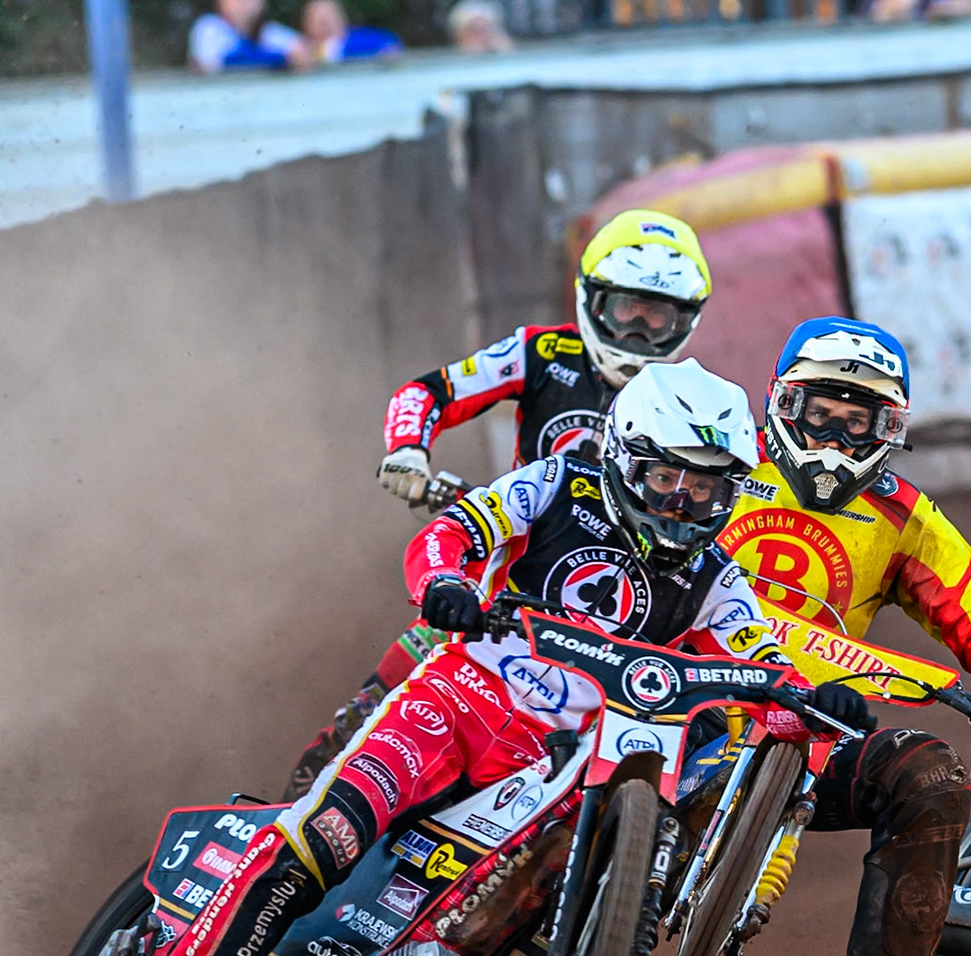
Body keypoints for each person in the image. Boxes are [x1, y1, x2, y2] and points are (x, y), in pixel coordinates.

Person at [121, 360, 876, 956]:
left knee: (539, 888)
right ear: (620, 455)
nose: (683, 503)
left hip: (552, 764)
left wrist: (814, 701)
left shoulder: (718, 578)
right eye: (664, 478)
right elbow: (450, 534)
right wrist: (442, 584)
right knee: (323, 836)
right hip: (457, 702)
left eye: (706, 487)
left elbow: (767, 671)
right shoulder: (555, 482)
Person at [284, 210, 715, 798]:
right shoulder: (542, 353)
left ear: (686, 320)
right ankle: (297, 827)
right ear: (593, 300)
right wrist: (408, 452)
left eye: (658, 316)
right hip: (498, 584)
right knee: (364, 719)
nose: (639, 332)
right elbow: (431, 390)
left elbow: (729, 492)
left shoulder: (694, 407)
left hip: (621, 613)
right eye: (626, 311)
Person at [714, 316, 971, 956]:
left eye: (857, 422)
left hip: (814, 732)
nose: (833, 439)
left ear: (889, 430)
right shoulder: (717, 458)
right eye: (820, 414)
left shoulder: (900, 517)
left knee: (931, 773)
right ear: (782, 404)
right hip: (671, 705)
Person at [188, 0, 310, 72]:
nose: (244, 2)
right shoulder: (208, 27)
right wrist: (284, 59)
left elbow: (302, 50)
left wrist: (302, 55)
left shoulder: (269, 31)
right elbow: (231, 61)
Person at [301, 0, 404, 63]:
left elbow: (390, 41)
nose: (326, 29)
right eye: (320, 23)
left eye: (329, 21)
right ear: (308, 26)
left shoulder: (357, 38)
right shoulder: (301, 49)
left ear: (341, 20)